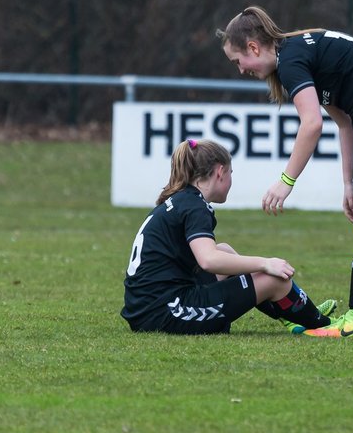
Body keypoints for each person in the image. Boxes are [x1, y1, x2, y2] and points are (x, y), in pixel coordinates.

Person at [218, 6, 353, 338]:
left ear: (254, 48)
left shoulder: (290, 61)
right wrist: (349, 183)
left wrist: (286, 181)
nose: (241, 69)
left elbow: (312, 124)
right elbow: (343, 121)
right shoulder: (298, 52)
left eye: (238, 61)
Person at [121, 138, 337, 335]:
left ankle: (292, 314)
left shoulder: (183, 199)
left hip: (148, 308)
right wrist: (265, 263)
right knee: (273, 278)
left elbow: (214, 256)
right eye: (231, 173)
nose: (231, 179)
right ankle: (323, 325)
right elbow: (208, 260)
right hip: (165, 313)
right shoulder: (195, 206)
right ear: (220, 172)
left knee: (224, 250)